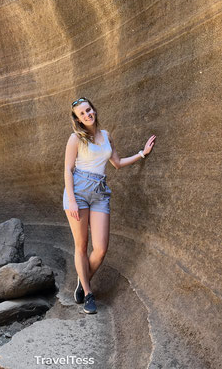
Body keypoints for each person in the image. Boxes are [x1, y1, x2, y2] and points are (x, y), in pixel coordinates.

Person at [63, 97, 156, 314]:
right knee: (81, 246)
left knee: (101, 249)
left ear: (94, 109)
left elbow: (117, 163)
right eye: (82, 114)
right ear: (77, 119)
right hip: (78, 192)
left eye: (89, 110)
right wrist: (72, 200)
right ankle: (88, 293)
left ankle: (82, 278)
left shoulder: (106, 136)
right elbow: (68, 170)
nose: (87, 115)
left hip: (99, 193)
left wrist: (142, 153)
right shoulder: (75, 139)